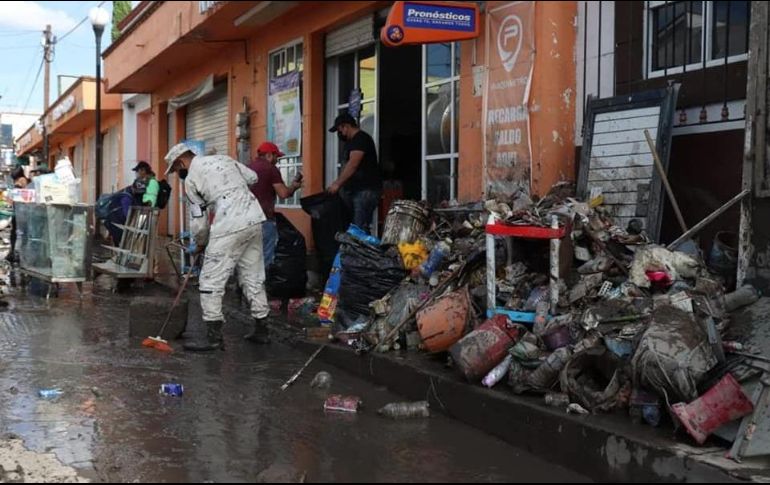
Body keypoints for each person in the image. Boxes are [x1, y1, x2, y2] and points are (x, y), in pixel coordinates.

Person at [164, 142, 271, 351]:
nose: (178, 173)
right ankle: (262, 330)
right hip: (254, 218)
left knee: (210, 280)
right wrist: (230, 189)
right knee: (253, 276)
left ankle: (213, 338)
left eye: (176, 169)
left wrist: (200, 243)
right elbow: (253, 178)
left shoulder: (191, 180)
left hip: (229, 224)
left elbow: (198, 219)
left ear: (181, 161)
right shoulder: (224, 159)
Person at [248, 141, 302, 268]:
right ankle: (261, 285)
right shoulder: (271, 169)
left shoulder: (249, 167)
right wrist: (293, 187)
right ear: (268, 155)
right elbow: (283, 194)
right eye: (276, 156)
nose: (277, 160)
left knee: (249, 257)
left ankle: (244, 285)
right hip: (264, 219)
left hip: (246, 220)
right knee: (265, 257)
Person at [327, 113, 382, 234]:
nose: (340, 133)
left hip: (365, 190)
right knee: (355, 227)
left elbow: (353, 164)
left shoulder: (361, 139)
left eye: (339, 130)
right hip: (356, 191)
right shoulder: (352, 142)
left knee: (359, 228)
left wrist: (337, 184)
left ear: (346, 126)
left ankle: (362, 252)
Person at [5, 167, 31, 263]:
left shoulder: (19, 183)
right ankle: (15, 254)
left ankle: (16, 254)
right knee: (18, 234)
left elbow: (11, 200)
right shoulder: (27, 182)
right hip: (21, 213)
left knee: (18, 234)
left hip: (20, 213)